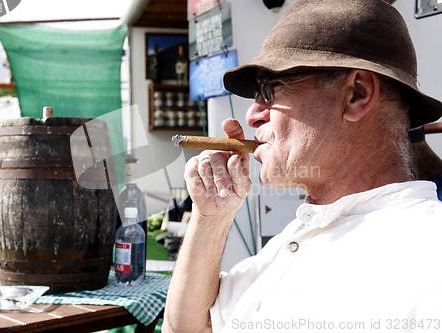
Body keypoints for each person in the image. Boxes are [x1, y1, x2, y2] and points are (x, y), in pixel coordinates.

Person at [163, 1, 442, 332]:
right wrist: (211, 218)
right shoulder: (296, 238)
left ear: (357, 94)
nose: (252, 115)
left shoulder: (428, 252)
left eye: (270, 88)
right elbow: (187, 327)